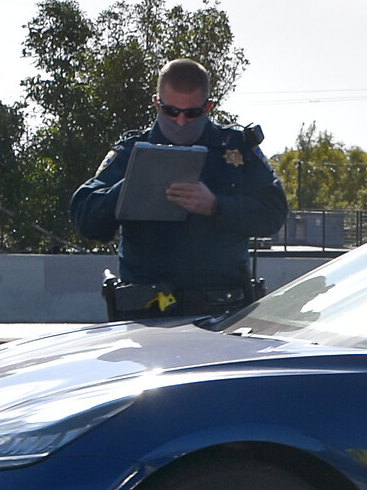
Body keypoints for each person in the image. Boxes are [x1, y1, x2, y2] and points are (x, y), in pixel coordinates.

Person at [71, 58, 288, 316]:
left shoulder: (235, 149)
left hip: (220, 315)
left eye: (192, 113)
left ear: (208, 107)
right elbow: (84, 215)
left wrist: (216, 206)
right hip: (145, 316)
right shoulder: (131, 152)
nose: (181, 122)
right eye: (171, 112)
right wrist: (132, 187)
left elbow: (274, 211)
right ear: (157, 104)